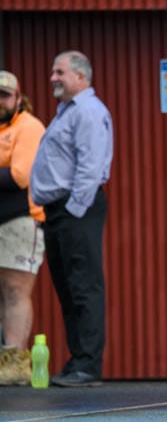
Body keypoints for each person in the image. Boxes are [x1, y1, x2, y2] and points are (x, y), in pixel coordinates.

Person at [30, 50, 113, 387]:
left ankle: (88, 366)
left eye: (59, 72)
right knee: (67, 287)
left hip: (76, 208)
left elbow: (90, 166)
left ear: (81, 76)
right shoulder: (67, 111)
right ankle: (78, 360)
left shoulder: (88, 111)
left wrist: (74, 210)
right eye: (53, 71)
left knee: (83, 286)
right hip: (59, 211)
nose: (53, 78)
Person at [0, 70, 46, 385]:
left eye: (4, 96)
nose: (0, 102)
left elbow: (19, 176)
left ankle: (15, 362)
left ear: (18, 98)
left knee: (15, 290)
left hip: (20, 220)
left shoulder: (28, 127)